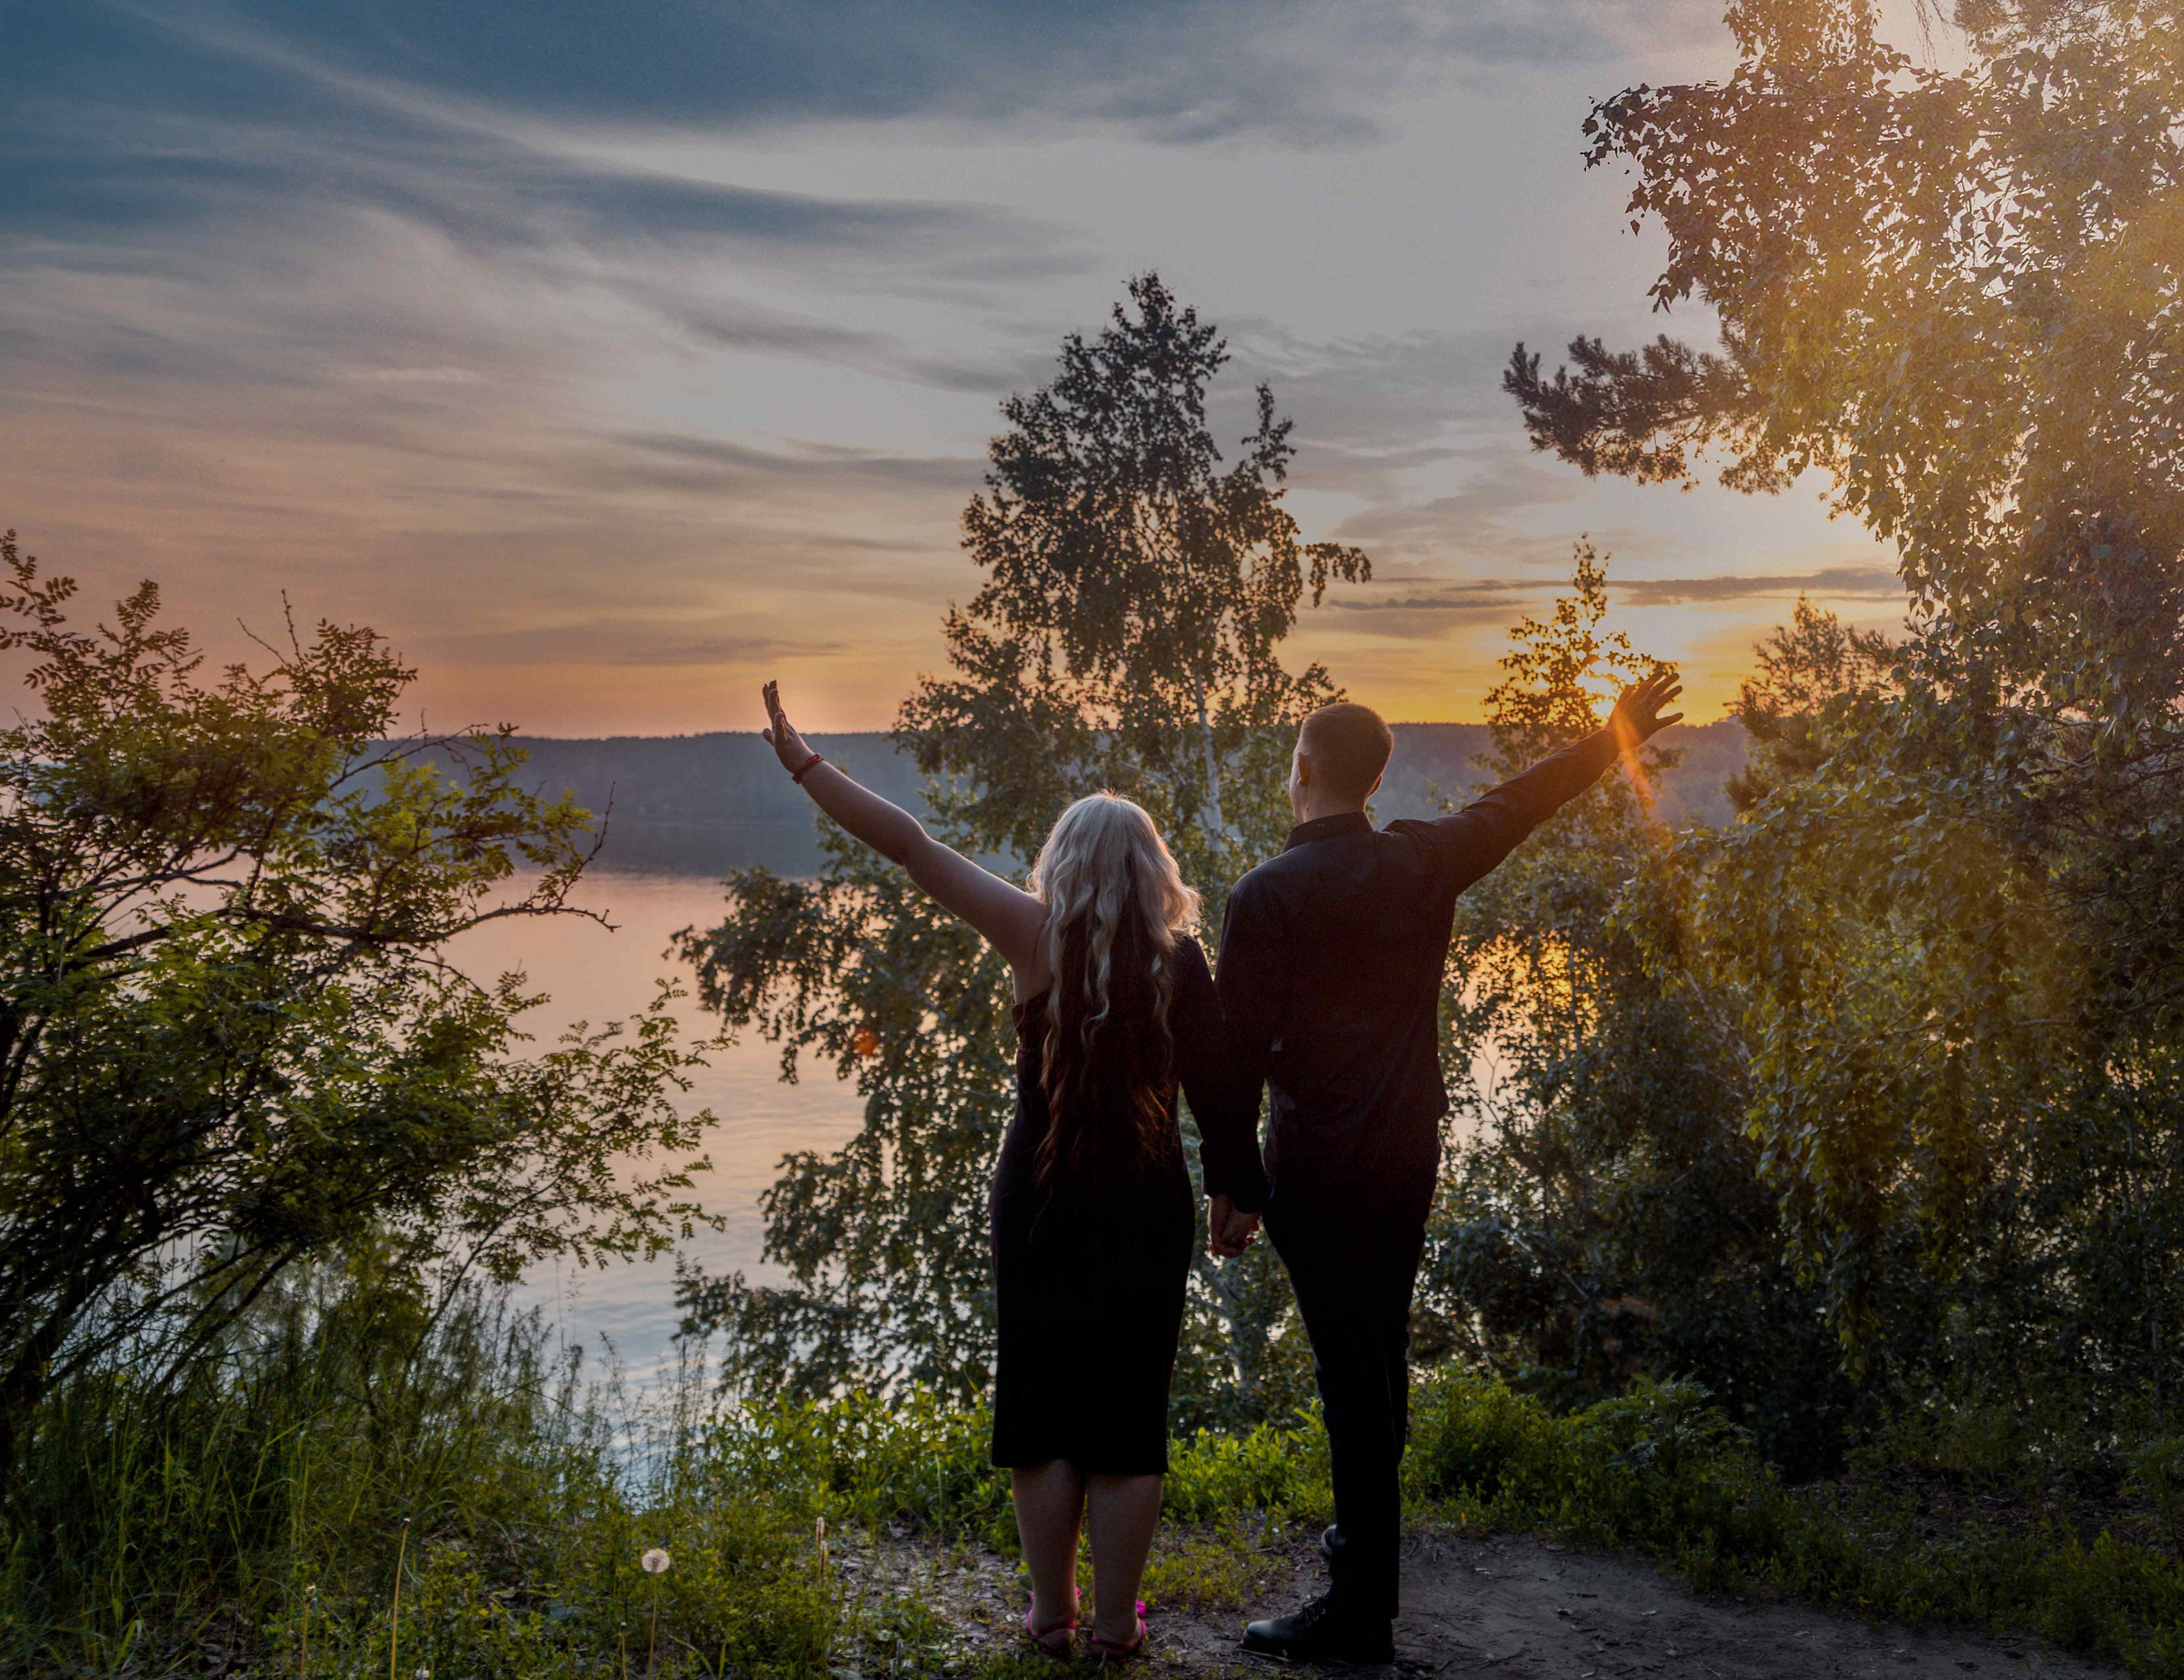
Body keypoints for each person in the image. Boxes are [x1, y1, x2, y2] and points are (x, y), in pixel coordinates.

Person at [758, 680, 1263, 1662]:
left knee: (1042, 1405)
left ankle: (1051, 1617)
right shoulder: (1182, 961)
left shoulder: (1032, 934)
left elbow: (910, 845)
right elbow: (1222, 1089)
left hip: (1039, 1204)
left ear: (1060, 865)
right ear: (1153, 870)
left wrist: (805, 764)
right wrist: (1236, 1193)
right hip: (1147, 1209)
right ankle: (1113, 1628)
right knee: (1127, 1416)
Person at [1211, 671, 1684, 1662]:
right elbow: (1518, 801)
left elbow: (1232, 1059)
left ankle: (1358, 1613)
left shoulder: (1263, 894)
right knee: (1377, 1358)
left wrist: (1235, 1187)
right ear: (1374, 778)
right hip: (1404, 1155)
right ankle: (1364, 1576)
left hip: (1314, 1171)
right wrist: (1614, 737)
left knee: (1353, 1375)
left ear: (1301, 767)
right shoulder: (1420, 861)